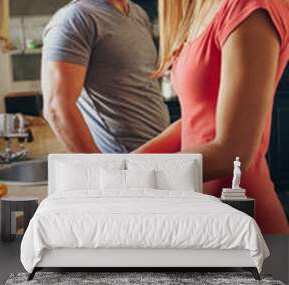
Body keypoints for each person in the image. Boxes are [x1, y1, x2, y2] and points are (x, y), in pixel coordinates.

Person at [136, 0, 289, 233]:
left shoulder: (249, 7)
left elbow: (232, 153)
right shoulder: (199, 7)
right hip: (201, 212)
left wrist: (134, 174)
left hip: (239, 221)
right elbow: (196, 118)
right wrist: (131, 161)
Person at [41, 0, 170, 153]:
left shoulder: (138, 14)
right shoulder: (75, 19)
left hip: (161, 155)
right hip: (121, 161)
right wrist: (101, 169)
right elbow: (57, 108)